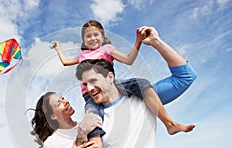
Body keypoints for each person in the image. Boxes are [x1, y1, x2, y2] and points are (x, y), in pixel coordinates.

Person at [75, 26, 196, 148]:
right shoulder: (92, 116)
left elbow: (186, 77)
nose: (90, 89)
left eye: (94, 81)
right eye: (85, 84)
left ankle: (171, 125)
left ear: (110, 77)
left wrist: (156, 42)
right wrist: (81, 134)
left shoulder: (146, 98)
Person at [51, 19, 196, 138]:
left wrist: (141, 41)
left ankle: (170, 124)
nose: (92, 38)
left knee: (142, 84)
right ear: (84, 40)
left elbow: (128, 59)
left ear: (102, 37)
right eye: (88, 36)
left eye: (96, 35)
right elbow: (65, 61)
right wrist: (58, 48)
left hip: (114, 88)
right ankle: (94, 145)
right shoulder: (82, 56)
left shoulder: (107, 50)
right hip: (89, 97)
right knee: (92, 114)